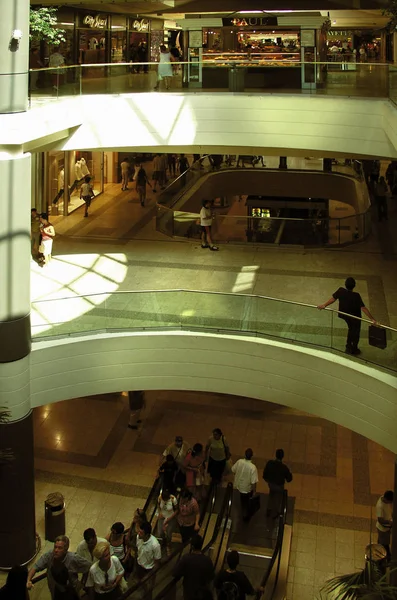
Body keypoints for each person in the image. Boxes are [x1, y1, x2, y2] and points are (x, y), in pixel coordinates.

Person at [317, 277, 376, 355]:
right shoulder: (356, 295)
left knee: (351, 329)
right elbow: (363, 308)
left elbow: (333, 299)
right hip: (355, 317)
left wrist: (324, 305)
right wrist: (372, 319)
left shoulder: (340, 291)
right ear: (354, 286)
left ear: (345, 284)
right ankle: (354, 348)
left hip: (345, 315)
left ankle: (348, 346)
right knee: (356, 332)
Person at [26, 535, 91, 599]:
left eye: (60, 548)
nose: (56, 550)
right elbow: (36, 567)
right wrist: (28, 580)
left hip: (72, 591)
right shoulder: (49, 555)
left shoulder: (73, 558)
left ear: (66, 549)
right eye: (55, 547)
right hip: (55, 590)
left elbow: (88, 566)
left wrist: (83, 583)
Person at [172, 535, 214, 600]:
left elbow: (175, 573)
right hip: (202, 594)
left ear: (192, 546)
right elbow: (211, 577)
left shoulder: (186, 558)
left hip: (189, 593)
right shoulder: (207, 560)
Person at [263, 449, 292, 519]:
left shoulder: (270, 463)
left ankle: (268, 509)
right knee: (278, 498)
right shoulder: (284, 468)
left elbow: (265, 474)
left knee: (271, 494)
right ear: (282, 457)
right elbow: (289, 478)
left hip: (270, 484)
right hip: (279, 486)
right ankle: (276, 512)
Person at [232, 448, 258, 522]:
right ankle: (245, 516)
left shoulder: (239, 462)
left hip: (238, 485)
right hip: (246, 489)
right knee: (246, 503)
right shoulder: (253, 467)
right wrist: (254, 491)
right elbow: (253, 481)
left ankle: (244, 513)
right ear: (251, 456)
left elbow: (233, 470)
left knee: (242, 500)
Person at [376, 490, 393, 561]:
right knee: (384, 544)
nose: (391, 503)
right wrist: (389, 522)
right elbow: (380, 520)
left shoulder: (384, 498)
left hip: (386, 528)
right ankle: (386, 557)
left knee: (381, 541)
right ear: (386, 499)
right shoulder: (380, 506)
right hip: (383, 529)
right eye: (390, 501)